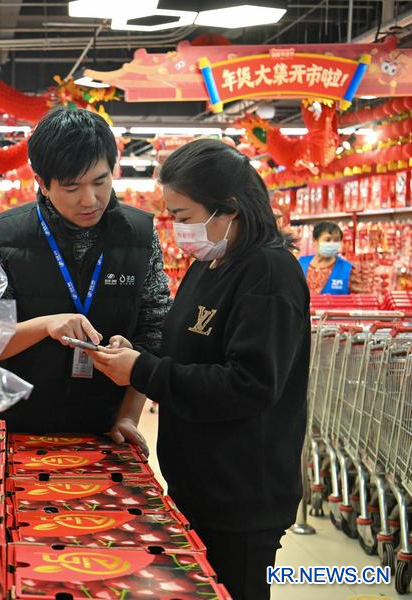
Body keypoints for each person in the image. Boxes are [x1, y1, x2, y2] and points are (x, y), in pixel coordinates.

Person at [85, 139, 310, 600]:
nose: (178, 231)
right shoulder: (208, 265)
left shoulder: (268, 273)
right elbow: (184, 351)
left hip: (242, 495)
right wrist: (135, 355)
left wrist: (142, 371)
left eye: (184, 217)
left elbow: (249, 385)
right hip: (198, 484)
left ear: (229, 210)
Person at [0, 107, 171, 444]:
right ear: (42, 184)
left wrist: (128, 416)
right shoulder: (2, 238)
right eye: (71, 187)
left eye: (100, 181)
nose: (89, 200)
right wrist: (45, 326)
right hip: (12, 430)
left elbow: (155, 332)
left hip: (103, 431)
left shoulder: (139, 235)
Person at [298, 221, 358, 295]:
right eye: (327, 240)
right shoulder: (299, 263)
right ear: (315, 241)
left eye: (336, 240)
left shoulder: (347, 269)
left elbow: (358, 300)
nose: (332, 243)